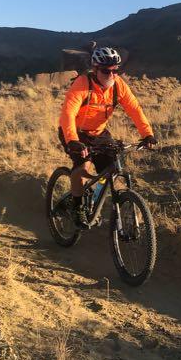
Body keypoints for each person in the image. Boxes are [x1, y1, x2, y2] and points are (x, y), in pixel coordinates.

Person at [58, 46, 156, 227]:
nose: (112, 74)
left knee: (110, 168)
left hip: (99, 133)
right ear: (95, 69)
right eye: (106, 71)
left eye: (115, 70)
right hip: (75, 132)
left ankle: (93, 202)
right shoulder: (82, 84)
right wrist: (72, 140)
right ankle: (78, 208)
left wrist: (147, 134)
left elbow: (134, 109)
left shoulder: (118, 85)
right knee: (82, 167)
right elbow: (68, 114)